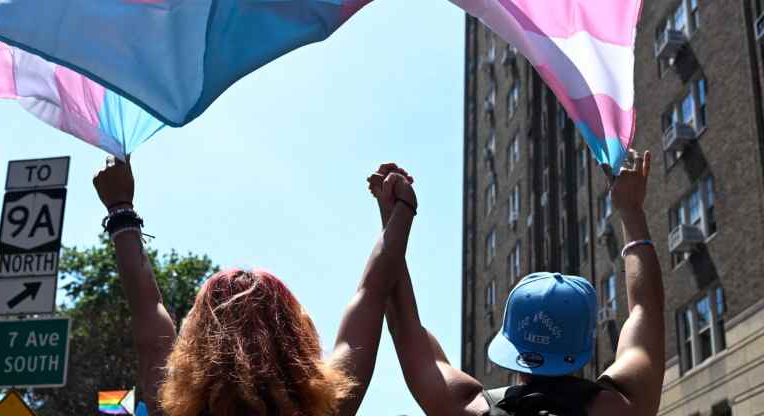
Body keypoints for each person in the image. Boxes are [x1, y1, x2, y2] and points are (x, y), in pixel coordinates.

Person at [93, 157, 418, 416]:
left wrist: (120, 207)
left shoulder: (170, 405)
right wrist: (397, 211)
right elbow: (371, 295)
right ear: (293, 331)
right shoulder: (328, 404)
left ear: (199, 332)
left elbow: (149, 311)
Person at [369, 151, 665, 416]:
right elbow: (646, 310)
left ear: (510, 340)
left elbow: (404, 326)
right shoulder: (623, 407)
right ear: (584, 341)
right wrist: (631, 210)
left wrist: (395, 214)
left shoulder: (467, 408)